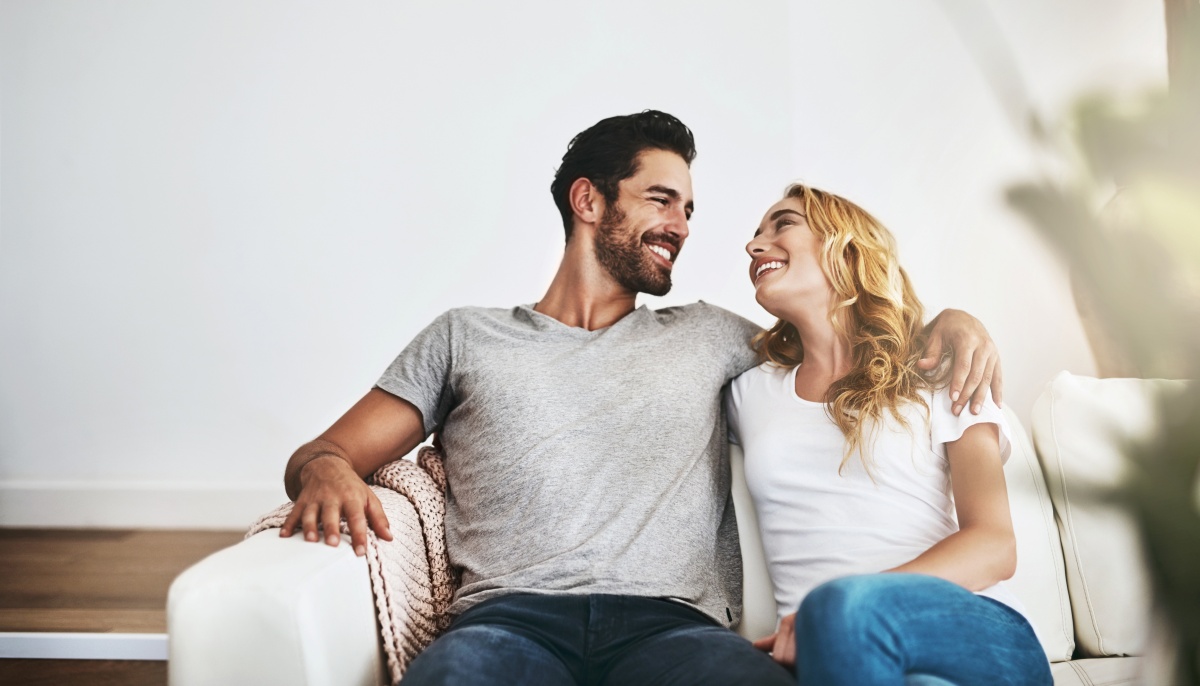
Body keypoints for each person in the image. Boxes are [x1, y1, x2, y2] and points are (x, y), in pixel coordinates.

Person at [277, 111, 1002, 685]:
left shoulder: (712, 337)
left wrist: (949, 323)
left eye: (688, 209)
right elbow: (326, 451)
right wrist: (327, 469)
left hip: (675, 630)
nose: (681, 227)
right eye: (661, 200)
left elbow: (842, 342)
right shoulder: (465, 338)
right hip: (507, 624)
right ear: (588, 200)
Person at [727, 184, 1051, 685]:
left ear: (846, 248)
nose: (754, 246)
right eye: (756, 234)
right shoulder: (748, 392)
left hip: (977, 633)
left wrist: (839, 608)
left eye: (783, 224)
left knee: (841, 610)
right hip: (844, 662)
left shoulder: (943, 371)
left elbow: (994, 544)